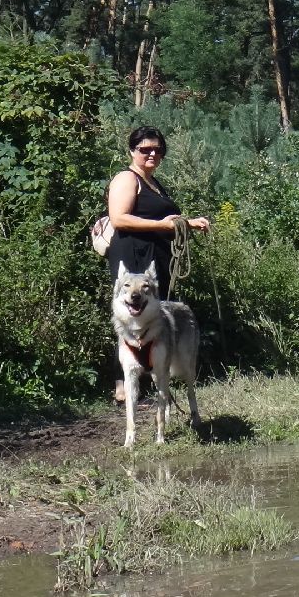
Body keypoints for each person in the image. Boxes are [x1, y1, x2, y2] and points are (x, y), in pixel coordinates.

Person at [106, 127, 210, 400]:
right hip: (133, 257)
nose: (152, 154)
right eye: (145, 149)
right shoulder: (127, 178)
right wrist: (162, 225)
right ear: (132, 151)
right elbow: (118, 218)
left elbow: (166, 222)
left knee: (153, 321)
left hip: (153, 259)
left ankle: (154, 380)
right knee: (128, 318)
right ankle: (123, 385)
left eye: (158, 150)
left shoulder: (152, 182)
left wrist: (186, 224)